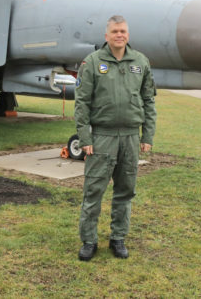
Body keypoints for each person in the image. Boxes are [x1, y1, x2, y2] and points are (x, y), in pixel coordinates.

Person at [74, 15, 156, 260]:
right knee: (93, 192)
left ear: (127, 35)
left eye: (123, 31)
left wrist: (147, 134)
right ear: (106, 36)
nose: (119, 35)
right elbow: (82, 103)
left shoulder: (140, 62)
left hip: (130, 137)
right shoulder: (92, 62)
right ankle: (89, 241)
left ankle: (118, 238)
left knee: (125, 191)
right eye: (115, 31)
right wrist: (85, 138)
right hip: (102, 137)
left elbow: (149, 100)